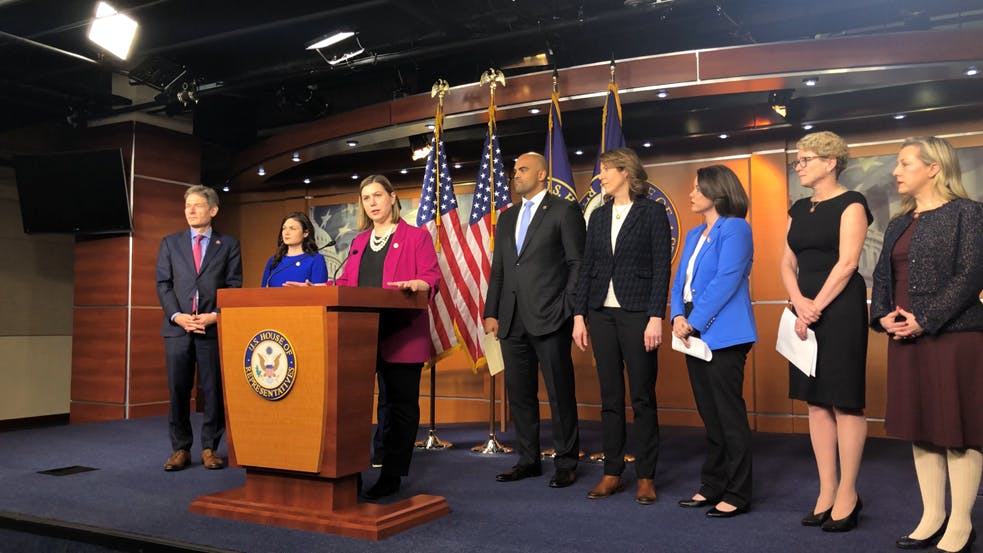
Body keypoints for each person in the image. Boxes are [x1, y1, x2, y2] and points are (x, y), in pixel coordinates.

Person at [870, 136, 982, 553]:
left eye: (903, 164)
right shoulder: (900, 221)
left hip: (955, 337)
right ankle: (932, 515)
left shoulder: (968, 214)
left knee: (958, 430)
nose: (895, 172)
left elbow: (971, 276)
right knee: (921, 427)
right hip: (904, 336)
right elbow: (883, 275)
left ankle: (961, 522)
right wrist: (883, 314)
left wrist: (926, 318)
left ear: (933, 168)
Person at [780, 131, 872, 532]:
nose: (798, 166)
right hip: (803, 309)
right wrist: (799, 301)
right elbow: (786, 262)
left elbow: (849, 263)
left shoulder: (853, 203)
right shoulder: (798, 207)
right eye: (797, 161)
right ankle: (826, 490)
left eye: (805, 159)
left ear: (831, 162)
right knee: (815, 402)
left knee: (844, 401)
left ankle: (849, 493)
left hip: (840, 309)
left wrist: (815, 305)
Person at [571, 147, 671, 504]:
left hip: (638, 314)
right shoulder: (597, 216)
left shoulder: (652, 212)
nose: (601, 176)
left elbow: (662, 267)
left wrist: (655, 315)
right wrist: (579, 315)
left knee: (642, 397)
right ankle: (612, 472)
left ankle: (646, 476)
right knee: (610, 398)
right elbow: (587, 268)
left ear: (625, 172)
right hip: (600, 314)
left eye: (606, 170)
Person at [334, 174, 441, 499]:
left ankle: (392, 474)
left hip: (402, 333)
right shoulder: (358, 242)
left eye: (377, 195)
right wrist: (316, 290)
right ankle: (350, 471)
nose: (372, 203)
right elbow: (346, 284)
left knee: (400, 406)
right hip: (361, 336)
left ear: (392, 198)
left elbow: (431, 275)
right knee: (352, 405)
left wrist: (420, 284)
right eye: (366, 198)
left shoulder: (415, 237)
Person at [485, 151, 586, 488]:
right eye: (515, 169)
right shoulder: (508, 217)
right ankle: (528, 459)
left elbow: (576, 263)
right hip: (511, 320)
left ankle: (566, 462)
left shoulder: (564, 210)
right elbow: (499, 269)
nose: (516, 174)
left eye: (523, 169)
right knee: (520, 395)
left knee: (560, 393)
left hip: (550, 318)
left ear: (542, 174)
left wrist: (566, 308)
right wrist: (491, 312)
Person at [669, 165, 756, 517]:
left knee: (728, 415)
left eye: (696, 188)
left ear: (716, 191)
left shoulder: (735, 228)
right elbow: (680, 282)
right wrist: (677, 315)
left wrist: (692, 321)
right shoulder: (693, 234)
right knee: (710, 415)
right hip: (692, 328)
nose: (690, 193)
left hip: (724, 334)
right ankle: (712, 484)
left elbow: (727, 280)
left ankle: (738, 492)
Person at [156, 185, 242, 472]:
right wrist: (177, 316)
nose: (190, 210)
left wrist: (214, 316)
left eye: (197, 205)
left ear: (213, 210)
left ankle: (209, 448)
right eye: (187, 206)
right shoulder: (170, 243)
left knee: (212, 390)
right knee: (178, 389)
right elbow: (163, 285)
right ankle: (180, 448)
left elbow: (233, 286)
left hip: (211, 329)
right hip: (178, 329)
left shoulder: (228, 245)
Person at [260, 212, 328, 287]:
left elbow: (321, 293)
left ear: (305, 233)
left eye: (292, 228)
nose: (286, 232)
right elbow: (263, 291)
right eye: (284, 228)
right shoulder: (273, 260)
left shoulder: (316, 259)